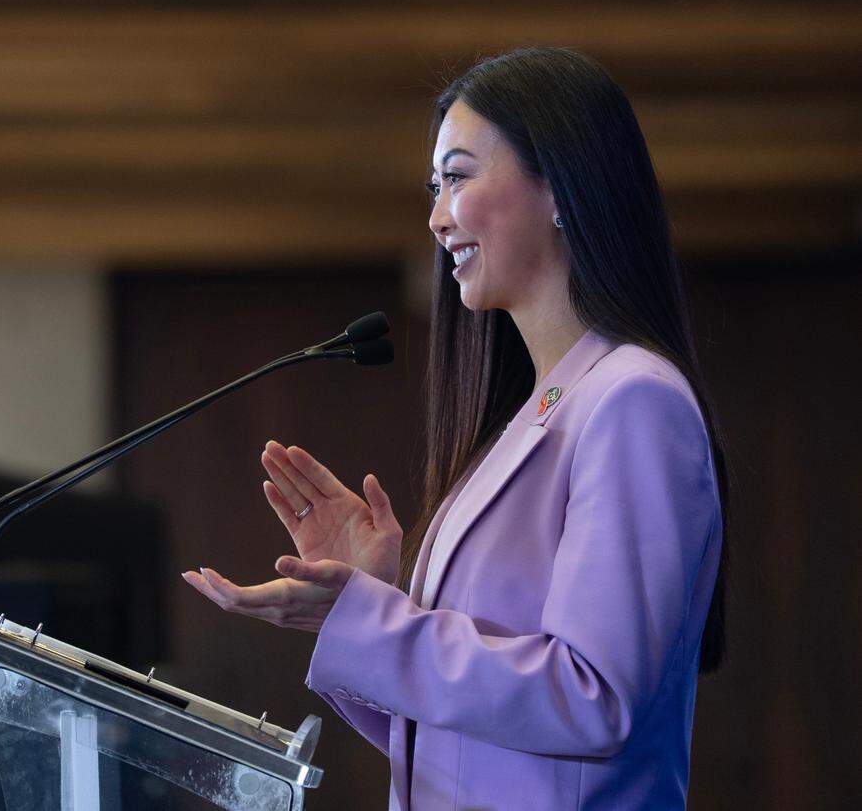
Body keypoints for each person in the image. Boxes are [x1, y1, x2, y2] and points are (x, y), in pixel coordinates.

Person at [182, 46, 728, 811]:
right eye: (434, 188)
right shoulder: (532, 416)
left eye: (459, 177)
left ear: (561, 187)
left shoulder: (634, 399)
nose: (438, 218)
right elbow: (469, 747)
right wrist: (376, 599)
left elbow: (594, 697)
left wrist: (379, 625)